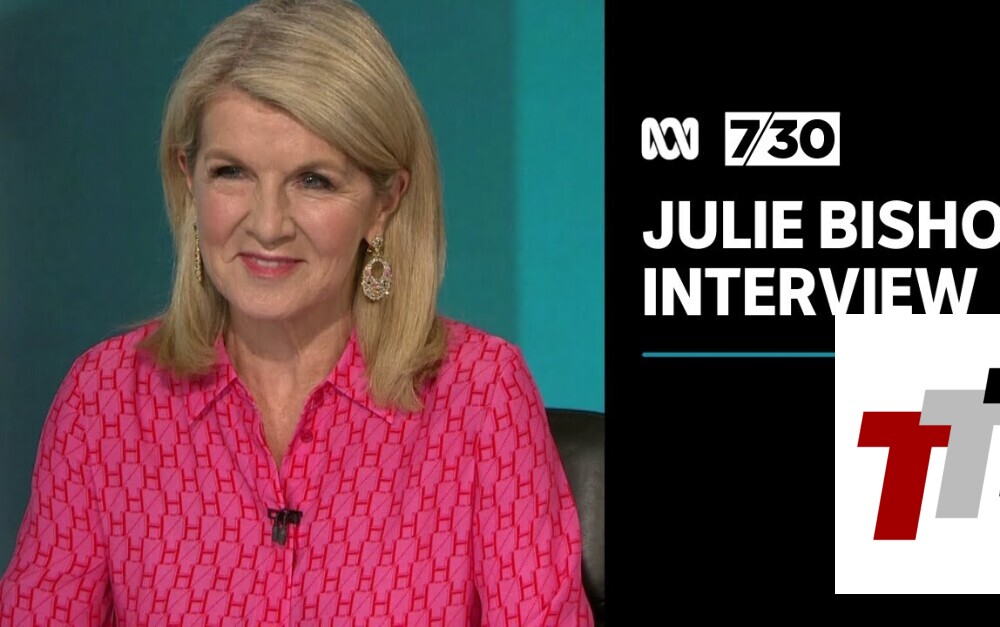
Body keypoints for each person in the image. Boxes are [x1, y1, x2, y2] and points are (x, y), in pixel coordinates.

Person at [0, 0, 594, 624]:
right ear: (188, 180)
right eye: (232, 173)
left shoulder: (481, 396)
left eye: (313, 180)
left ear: (385, 202)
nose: (267, 224)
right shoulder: (103, 403)